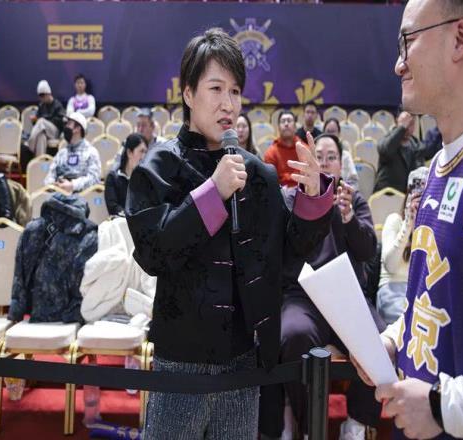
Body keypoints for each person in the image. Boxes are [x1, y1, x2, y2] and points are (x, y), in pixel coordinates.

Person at [126, 28, 334, 439]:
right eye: (216, 88)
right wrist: (213, 192)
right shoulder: (159, 166)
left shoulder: (256, 172)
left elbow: (287, 255)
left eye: (235, 91)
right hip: (179, 360)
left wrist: (313, 198)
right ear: (188, 93)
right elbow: (154, 253)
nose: (228, 104)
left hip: (243, 362)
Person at [353, 1, 463, 439]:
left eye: (408, 40)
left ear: (460, 38)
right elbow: (428, 297)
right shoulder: (436, 168)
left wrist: (444, 407)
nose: (398, 63)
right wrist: (392, 340)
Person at [260, 134, 384, 440]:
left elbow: (368, 251)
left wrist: (349, 219)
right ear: (307, 162)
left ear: (341, 164)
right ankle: (304, 423)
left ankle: (356, 421)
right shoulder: (290, 198)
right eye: (319, 157)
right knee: (293, 335)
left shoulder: (352, 200)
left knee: (380, 342)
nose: (325, 163)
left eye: (331, 157)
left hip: (346, 297)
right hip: (301, 296)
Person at [376, 167, 427, 325]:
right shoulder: (395, 221)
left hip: (419, 294)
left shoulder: (432, 229)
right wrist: (408, 224)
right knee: (413, 322)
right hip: (391, 291)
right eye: (416, 193)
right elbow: (390, 266)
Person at [44, 112, 101, 193]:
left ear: (77, 128)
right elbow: (50, 174)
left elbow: (94, 178)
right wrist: (53, 185)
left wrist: (73, 185)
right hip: (59, 195)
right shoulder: (62, 153)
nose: (66, 127)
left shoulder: (91, 152)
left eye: (69, 124)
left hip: (82, 196)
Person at [374, 110, 423, 193]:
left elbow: (419, 174)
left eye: (411, 124)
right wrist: (401, 128)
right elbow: (385, 150)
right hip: (386, 194)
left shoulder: (416, 145)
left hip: (408, 195)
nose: (407, 128)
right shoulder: (388, 140)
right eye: (405, 123)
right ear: (397, 122)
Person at [105, 133, 148, 216]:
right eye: (141, 151)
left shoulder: (145, 179)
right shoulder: (113, 178)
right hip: (120, 220)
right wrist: (130, 217)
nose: (144, 156)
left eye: (146, 152)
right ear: (129, 153)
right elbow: (113, 207)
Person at [264, 110, 303, 187]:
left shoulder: (304, 149)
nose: (286, 124)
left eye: (289, 121)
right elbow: (270, 181)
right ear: (278, 127)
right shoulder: (271, 153)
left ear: (295, 126)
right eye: (283, 121)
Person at [28, 80, 66, 156]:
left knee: (41, 121)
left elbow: (61, 121)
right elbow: (36, 124)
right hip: (43, 130)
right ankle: (40, 160)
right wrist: (34, 120)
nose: (41, 98)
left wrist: (45, 120)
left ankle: (30, 144)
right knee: (41, 137)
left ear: (49, 94)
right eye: (40, 96)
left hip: (55, 132)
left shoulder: (57, 105)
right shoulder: (41, 105)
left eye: (43, 95)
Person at [323, 117, 360, 189]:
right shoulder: (317, 156)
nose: (330, 135)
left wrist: (345, 190)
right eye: (328, 131)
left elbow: (354, 182)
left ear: (339, 134)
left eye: (333, 131)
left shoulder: (346, 156)